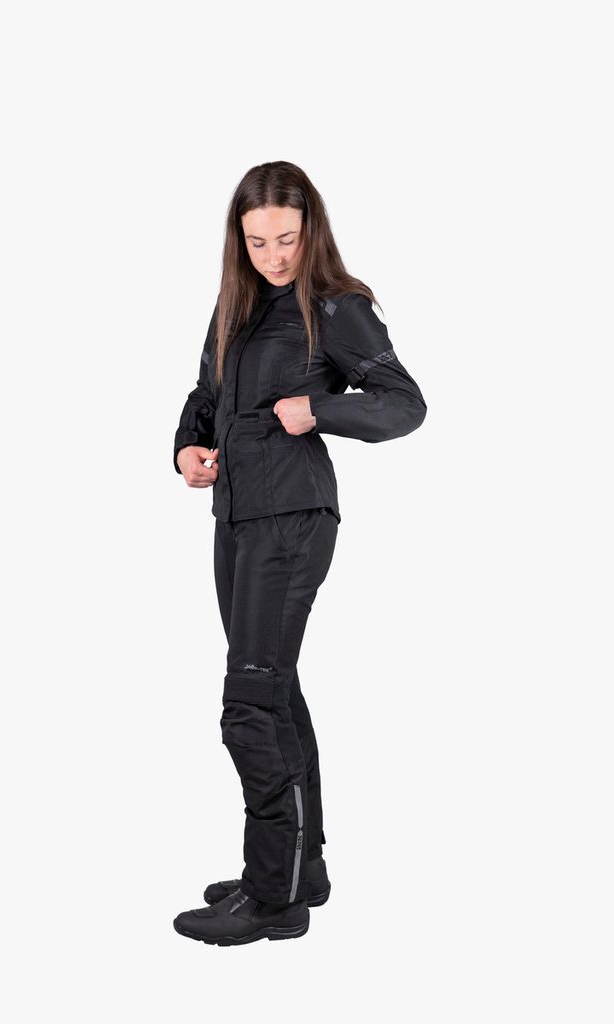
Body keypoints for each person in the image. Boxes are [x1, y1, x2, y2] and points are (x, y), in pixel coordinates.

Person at [171, 160, 427, 946]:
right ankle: (298, 870)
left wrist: (317, 409)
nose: (274, 256)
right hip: (236, 517)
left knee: (249, 703)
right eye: (258, 242)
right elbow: (206, 396)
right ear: (238, 242)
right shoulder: (236, 306)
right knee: (274, 691)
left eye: (286, 238)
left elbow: (403, 404)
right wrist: (185, 449)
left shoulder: (336, 306)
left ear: (309, 229)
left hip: (292, 515)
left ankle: (271, 894)